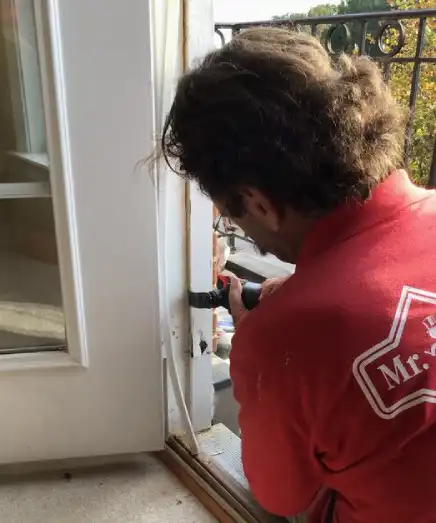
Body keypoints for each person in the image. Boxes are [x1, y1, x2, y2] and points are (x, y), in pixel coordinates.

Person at [159, 26, 436, 523]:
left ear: (260, 203)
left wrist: (268, 349)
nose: (232, 224)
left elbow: (279, 497)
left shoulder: (286, 337)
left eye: (230, 214)